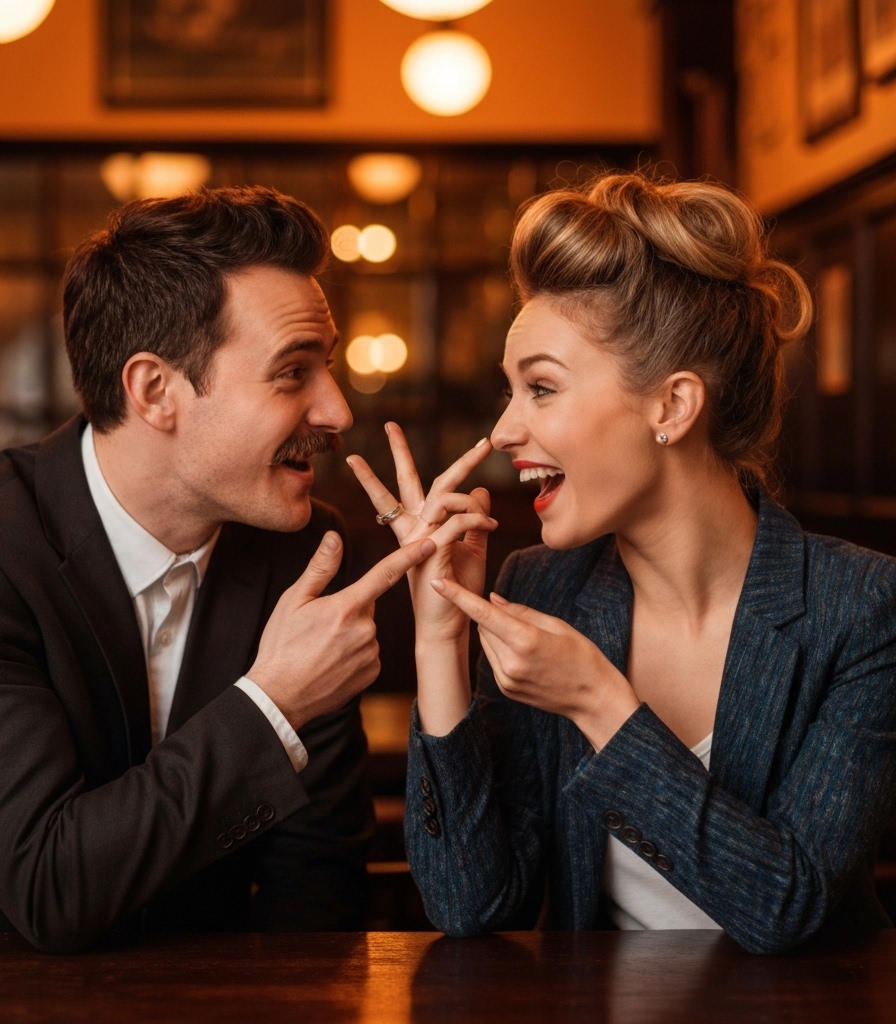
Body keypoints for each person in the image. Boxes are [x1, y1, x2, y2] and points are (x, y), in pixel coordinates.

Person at [0, 186, 440, 952]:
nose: (337, 411)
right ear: (155, 391)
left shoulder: (308, 553)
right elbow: (49, 884)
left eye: (327, 366)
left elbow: (316, 883)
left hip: (216, 994)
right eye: (292, 372)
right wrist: (275, 703)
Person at [348, 172, 896, 954]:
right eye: (511, 392)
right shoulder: (541, 589)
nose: (504, 431)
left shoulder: (863, 605)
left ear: (672, 405)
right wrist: (440, 638)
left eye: (541, 388)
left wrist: (601, 705)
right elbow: (473, 904)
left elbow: (790, 908)